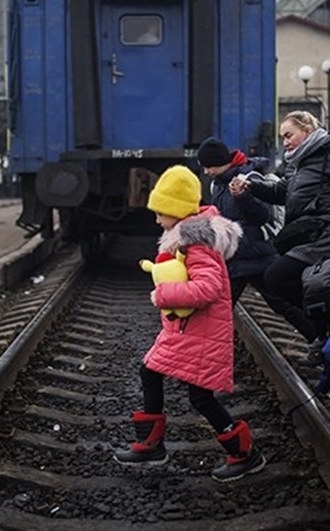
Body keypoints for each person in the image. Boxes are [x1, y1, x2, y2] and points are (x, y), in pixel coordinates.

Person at [113, 165, 265, 483]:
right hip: (186, 331)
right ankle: (151, 445)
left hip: (201, 332)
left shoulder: (195, 243)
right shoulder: (187, 236)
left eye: (161, 213)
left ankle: (244, 453)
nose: (156, 220)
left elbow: (208, 289)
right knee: (149, 371)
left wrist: (163, 294)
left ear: (178, 212)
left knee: (201, 397)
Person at [232, 111, 330, 355]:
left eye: (289, 135)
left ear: (306, 130)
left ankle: (329, 327)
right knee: (293, 282)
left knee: (276, 276)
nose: (284, 142)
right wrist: (251, 187)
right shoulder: (299, 162)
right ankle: (328, 332)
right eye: (282, 137)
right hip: (308, 235)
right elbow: (281, 192)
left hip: (328, 235)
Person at [197, 136, 316, 339]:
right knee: (218, 311)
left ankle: (322, 343)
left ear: (220, 162)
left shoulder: (250, 177)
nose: (206, 172)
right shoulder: (217, 184)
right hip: (237, 257)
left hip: (257, 255)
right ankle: (205, 355)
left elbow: (262, 216)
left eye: (209, 167)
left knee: (283, 305)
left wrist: (242, 197)